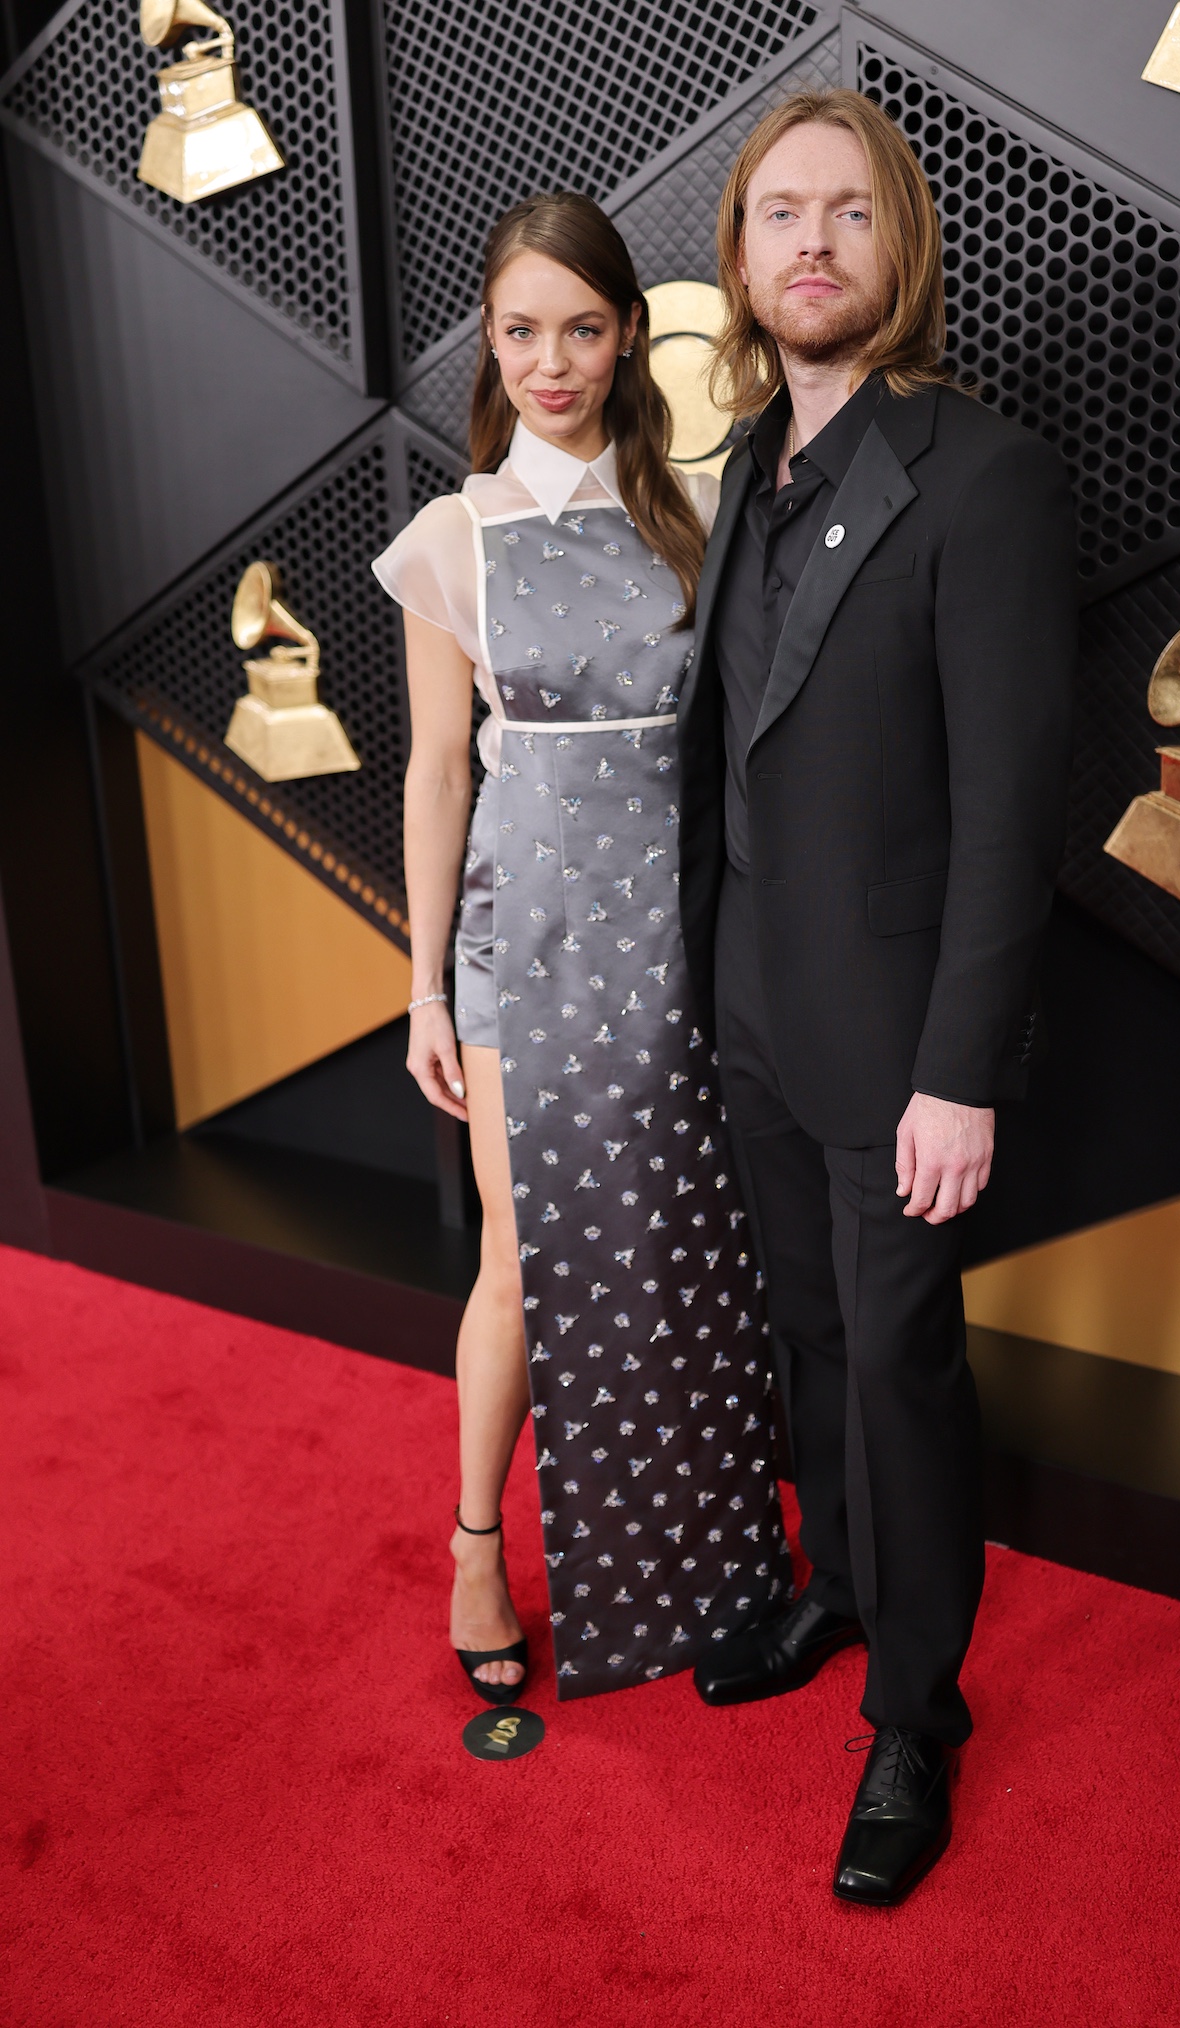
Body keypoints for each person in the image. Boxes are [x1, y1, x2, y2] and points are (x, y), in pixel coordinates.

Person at [677, 91, 1077, 1904]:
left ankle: (917, 1711)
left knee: (901, 1363)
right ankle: (839, 1587)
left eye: (848, 211)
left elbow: (1012, 812)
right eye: (779, 215)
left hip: (904, 1042)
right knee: (809, 1337)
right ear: (742, 258)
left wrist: (962, 1073)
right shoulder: (745, 463)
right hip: (752, 1010)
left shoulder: (977, 474)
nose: (812, 241)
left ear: (896, 246)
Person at [372, 193, 790, 1708]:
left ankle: (697, 1552)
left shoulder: (687, 509)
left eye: (585, 329)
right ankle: (480, 1545)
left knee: (690, 1257)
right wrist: (420, 985)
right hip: (522, 949)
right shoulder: (452, 537)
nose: (554, 363)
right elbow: (436, 772)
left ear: (629, 337)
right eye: (521, 332)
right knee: (521, 1264)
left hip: (678, 944)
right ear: (490, 346)